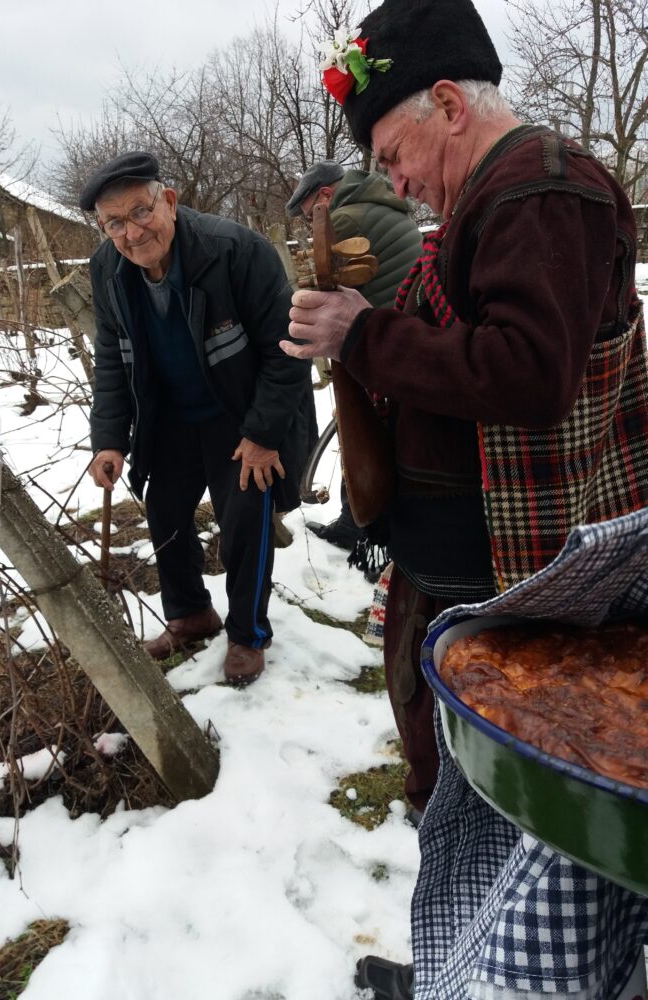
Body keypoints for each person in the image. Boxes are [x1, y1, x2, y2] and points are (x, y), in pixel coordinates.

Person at [280, 0, 648, 996]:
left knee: (514, 814)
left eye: (394, 150)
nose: (391, 180)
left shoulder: (542, 193)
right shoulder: (492, 200)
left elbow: (527, 370)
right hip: (480, 569)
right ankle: (466, 962)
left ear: (448, 102)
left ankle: (492, 974)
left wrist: (363, 335)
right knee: (467, 800)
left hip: (530, 579)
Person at [80, 151, 314, 686]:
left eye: (141, 212)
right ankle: (190, 614)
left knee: (243, 522)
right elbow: (112, 357)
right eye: (114, 222)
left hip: (241, 414)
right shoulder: (107, 270)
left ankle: (247, 634)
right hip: (172, 417)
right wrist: (109, 438)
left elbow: (288, 347)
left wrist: (262, 434)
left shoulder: (233, 251)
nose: (132, 233)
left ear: (169, 201)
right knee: (163, 513)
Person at [285, 160, 421, 556]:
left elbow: (318, 295)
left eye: (311, 213)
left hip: (378, 344)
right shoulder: (383, 207)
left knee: (360, 430)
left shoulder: (344, 221)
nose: (313, 223)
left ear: (326, 195)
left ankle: (359, 523)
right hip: (406, 335)